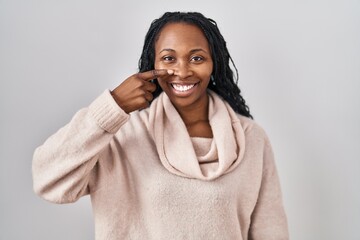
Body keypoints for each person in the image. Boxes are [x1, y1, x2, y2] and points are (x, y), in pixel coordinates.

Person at [32, 11, 289, 240]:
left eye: (197, 58)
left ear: (214, 64)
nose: (182, 71)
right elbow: (48, 181)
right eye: (168, 58)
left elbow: (271, 231)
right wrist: (113, 107)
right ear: (152, 64)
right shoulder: (122, 135)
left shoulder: (250, 138)